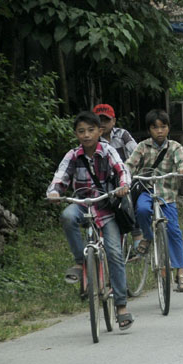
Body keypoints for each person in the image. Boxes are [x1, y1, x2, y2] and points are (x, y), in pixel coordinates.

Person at [47, 111, 134, 330]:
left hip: (106, 208)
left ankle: (121, 306)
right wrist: (55, 192)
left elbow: (122, 169)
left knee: (114, 252)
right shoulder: (73, 155)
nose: (86, 135)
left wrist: (124, 186)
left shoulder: (107, 151)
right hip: (82, 205)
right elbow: (60, 176)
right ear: (76, 134)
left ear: (99, 131)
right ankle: (80, 261)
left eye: (91, 130)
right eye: (81, 131)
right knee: (67, 216)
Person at [124, 109, 183, 292]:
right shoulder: (143, 147)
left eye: (163, 127)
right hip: (146, 190)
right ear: (149, 130)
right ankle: (147, 237)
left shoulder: (175, 146)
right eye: (155, 127)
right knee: (143, 211)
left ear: (168, 128)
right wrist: (123, 175)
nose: (159, 131)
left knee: (174, 230)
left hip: (167, 194)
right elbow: (130, 164)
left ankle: (181, 272)